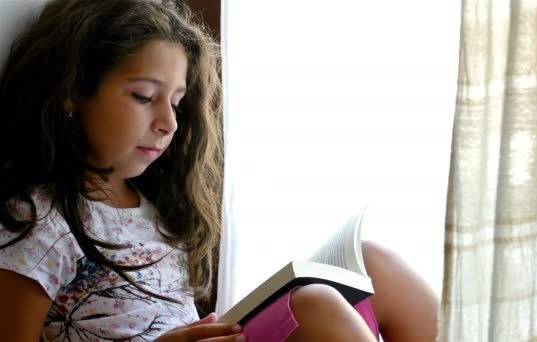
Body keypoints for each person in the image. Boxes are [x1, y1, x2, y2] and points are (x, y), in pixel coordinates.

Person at [0, 0, 438, 341]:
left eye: (175, 102)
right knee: (316, 304)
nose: (168, 122)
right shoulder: (38, 221)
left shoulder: (151, 208)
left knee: (376, 261)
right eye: (143, 96)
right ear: (72, 93)